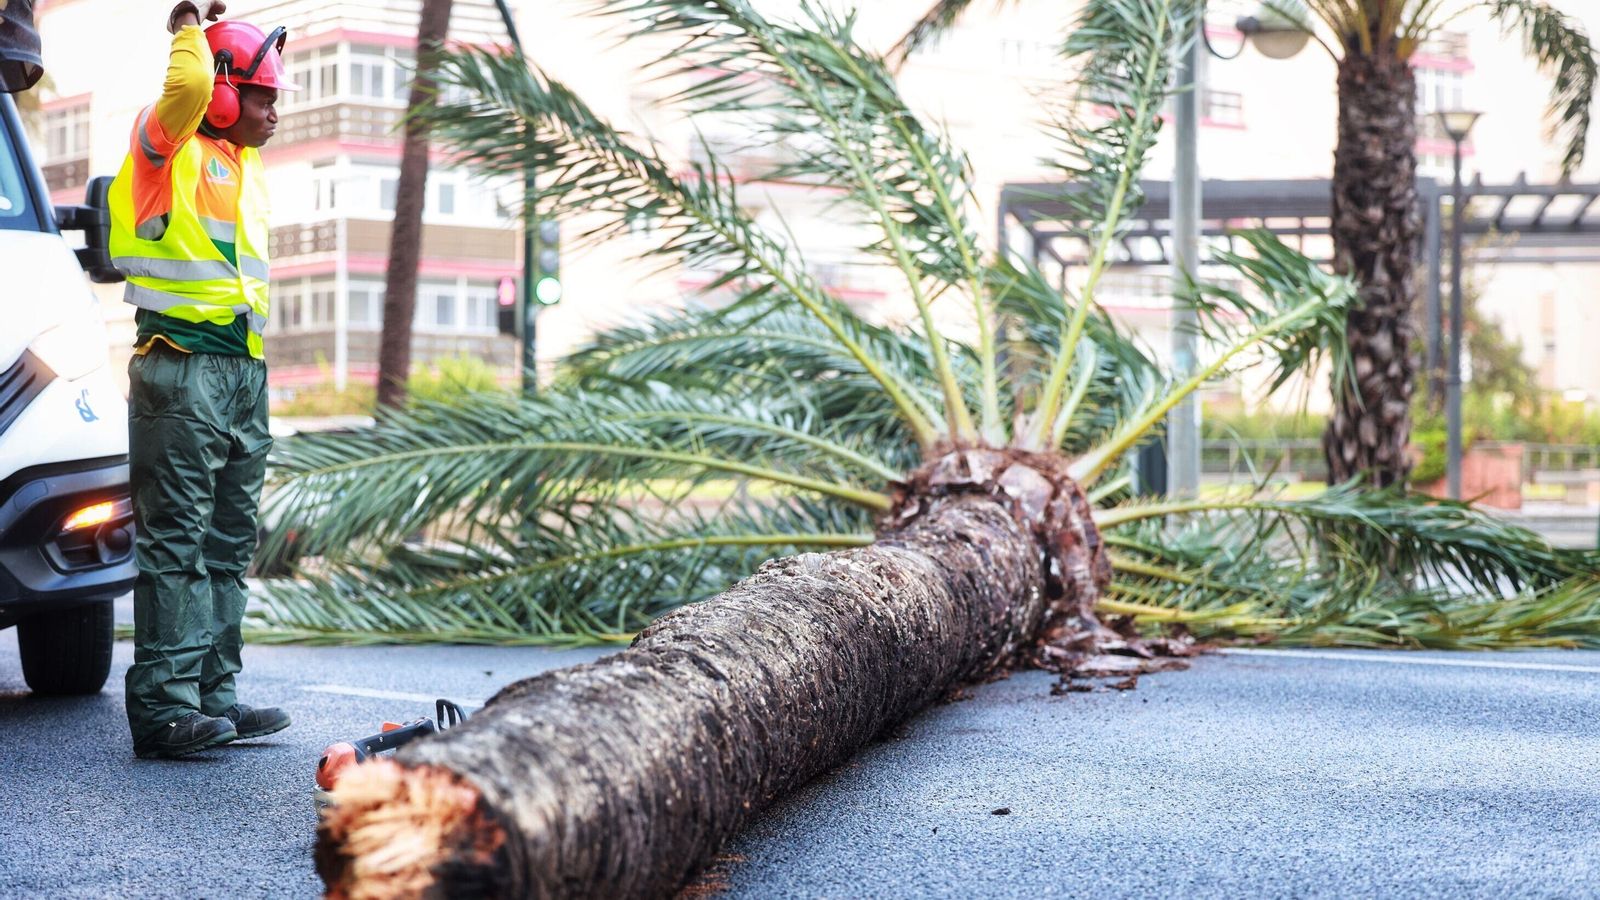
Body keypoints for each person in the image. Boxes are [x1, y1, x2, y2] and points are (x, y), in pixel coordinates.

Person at [110, 0, 296, 759]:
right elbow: (184, 91)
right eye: (261, 96)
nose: (273, 112)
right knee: (177, 545)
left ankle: (214, 696)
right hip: (180, 369)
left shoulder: (242, 168)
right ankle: (163, 710)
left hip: (240, 373)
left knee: (225, 544)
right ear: (222, 91)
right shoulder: (167, 148)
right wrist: (189, 23)